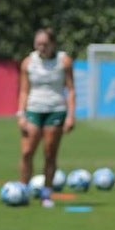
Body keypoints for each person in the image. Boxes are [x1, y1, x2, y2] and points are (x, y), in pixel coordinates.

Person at [16, 28, 75, 208]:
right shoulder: (28, 63)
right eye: (38, 44)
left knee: (50, 154)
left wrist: (71, 116)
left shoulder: (63, 61)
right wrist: (21, 114)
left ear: (53, 44)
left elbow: (71, 90)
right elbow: (24, 90)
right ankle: (23, 191)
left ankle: (47, 193)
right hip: (33, 110)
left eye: (45, 44)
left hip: (56, 110)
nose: (41, 47)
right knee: (27, 153)